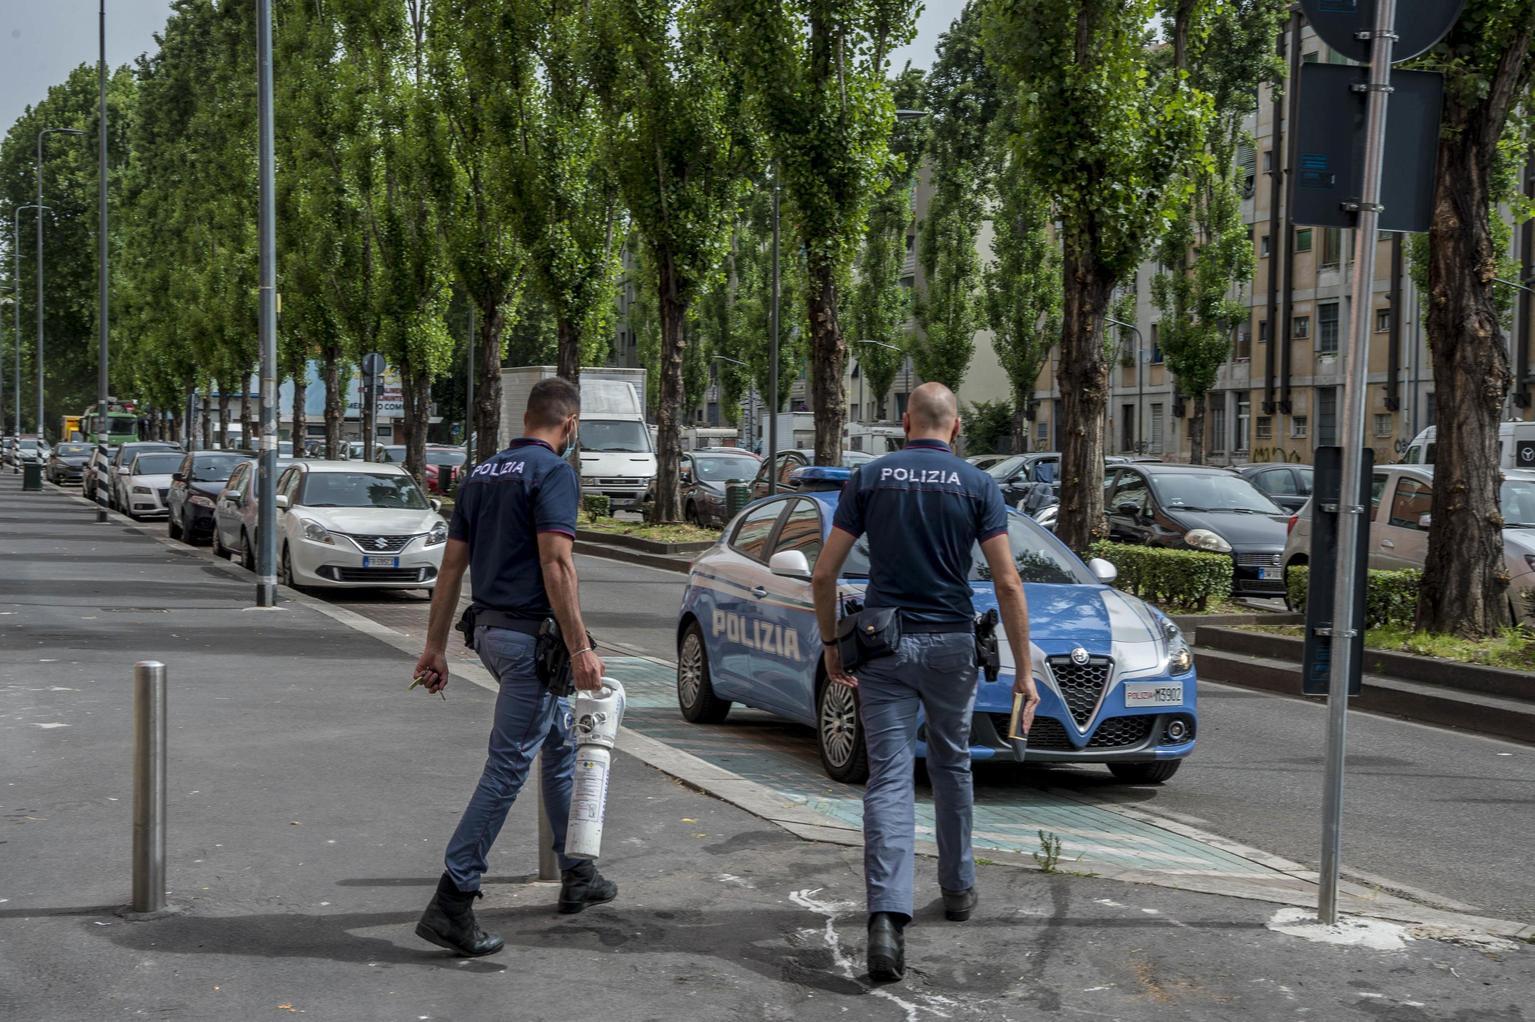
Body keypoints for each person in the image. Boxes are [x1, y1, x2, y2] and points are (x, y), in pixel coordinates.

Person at [810, 382, 1040, 983]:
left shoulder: (869, 478)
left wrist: (833, 642)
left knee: (888, 776)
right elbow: (1009, 583)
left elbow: (825, 570)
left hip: (883, 648)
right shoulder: (979, 485)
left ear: (904, 421)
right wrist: (1024, 671)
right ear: (956, 427)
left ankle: (886, 918)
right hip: (952, 651)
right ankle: (958, 887)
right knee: (952, 762)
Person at [411, 376, 616, 957]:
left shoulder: (481, 473)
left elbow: (449, 569)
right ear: (569, 424)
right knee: (507, 769)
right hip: (533, 645)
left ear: (525, 418)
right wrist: (580, 649)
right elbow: (557, 566)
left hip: (493, 636)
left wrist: (435, 649)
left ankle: (577, 871)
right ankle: (453, 898)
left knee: (556, 746)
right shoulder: (553, 474)